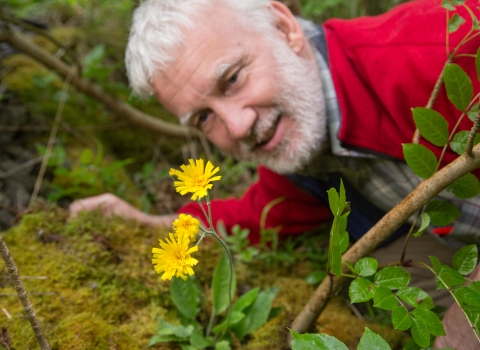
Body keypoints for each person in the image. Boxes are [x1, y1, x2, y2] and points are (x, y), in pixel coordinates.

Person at [69, 0, 480, 347]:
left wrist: (466, 323)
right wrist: (148, 225)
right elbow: (257, 216)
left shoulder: (445, 48)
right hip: (456, 245)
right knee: (383, 268)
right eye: (203, 117)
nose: (236, 127)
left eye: (232, 79)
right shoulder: (305, 157)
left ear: (285, 28)